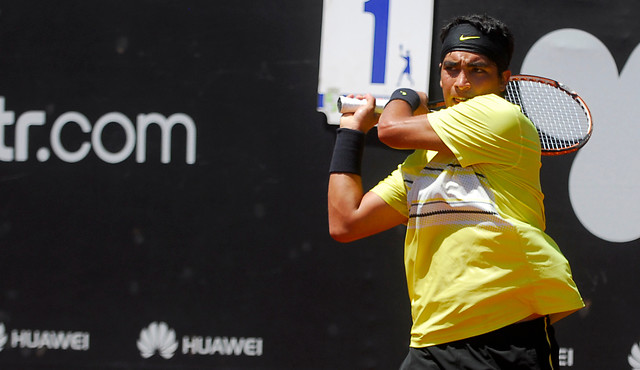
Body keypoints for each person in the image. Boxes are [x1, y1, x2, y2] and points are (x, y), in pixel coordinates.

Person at [327, 14, 584, 369]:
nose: (461, 83)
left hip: (504, 336)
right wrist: (351, 132)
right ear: (441, 71)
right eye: (452, 68)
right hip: (433, 341)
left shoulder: (499, 115)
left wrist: (405, 96)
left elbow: (391, 131)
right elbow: (346, 221)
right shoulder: (424, 160)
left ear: (502, 81)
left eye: (478, 70)